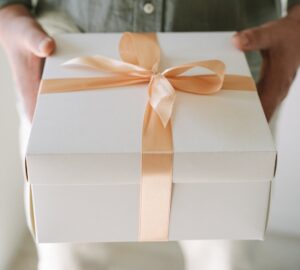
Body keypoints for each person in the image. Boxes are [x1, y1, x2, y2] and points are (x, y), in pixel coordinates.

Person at [0, 1, 299, 270]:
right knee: (67, 256)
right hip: (65, 67)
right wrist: (8, 10)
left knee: (225, 255)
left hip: (229, 80)